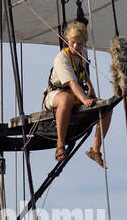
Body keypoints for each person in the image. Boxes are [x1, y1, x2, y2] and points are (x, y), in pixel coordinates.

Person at [44, 21, 108, 165]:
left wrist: (90, 87)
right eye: (73, 43)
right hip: (55, 94)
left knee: (106, 107)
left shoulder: (83, 53)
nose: (75, 47)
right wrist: (85, 100)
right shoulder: (62, 58)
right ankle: (60, 145)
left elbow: (83, 72)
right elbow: (72, 83)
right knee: (66, 99)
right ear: (68, 40)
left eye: (79, 44)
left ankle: (95, 150)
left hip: (76, 95)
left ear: (84, 43)